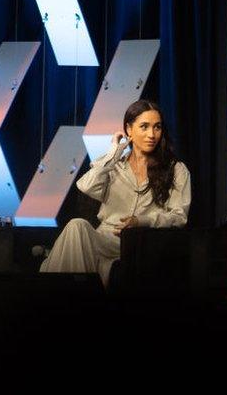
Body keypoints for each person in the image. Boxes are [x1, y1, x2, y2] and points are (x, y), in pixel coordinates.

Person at [40, 100, 191, 287]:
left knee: (66, 250)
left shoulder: (176, 169)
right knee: (76, 226)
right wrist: (114, 151)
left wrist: (141, 221)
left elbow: (179, 217)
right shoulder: (114, 166)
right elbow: (86, 186)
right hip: (104, 240)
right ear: (129, 129)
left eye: (157, 127)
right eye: (144, 127)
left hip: (141, 244)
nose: (152, 134)